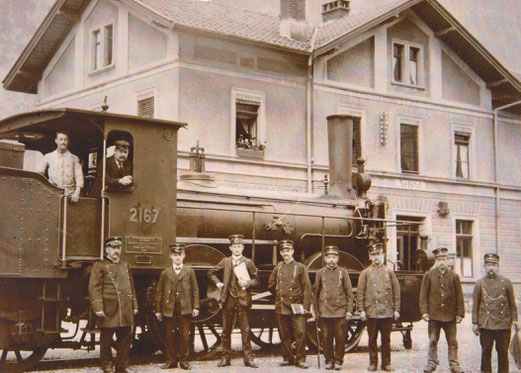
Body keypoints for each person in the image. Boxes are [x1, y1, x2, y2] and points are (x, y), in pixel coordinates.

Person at [207, 234, 259, 368]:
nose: (237, 249)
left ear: (243, 247)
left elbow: (257, 280)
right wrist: (218, 283)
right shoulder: (225, 261)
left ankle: (248, 359)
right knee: (226, 331)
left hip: (242, 300)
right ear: (230, 248)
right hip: (228, 299)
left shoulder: (248, 262)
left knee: (245, 330)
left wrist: (247, 283)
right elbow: (211, 272)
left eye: (239, 246)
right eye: (234, 246)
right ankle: (225, 358)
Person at [89, 236, 138, 373]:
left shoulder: (125, 265)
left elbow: (131, 287)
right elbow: (94, 288)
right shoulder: (99, 265)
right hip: (109, 308)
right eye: (114, 248)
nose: (117, 251)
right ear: (107, 250)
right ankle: (107, 365)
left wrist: (135, 305)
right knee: (106, 339)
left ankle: (121, 366)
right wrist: (98, 307)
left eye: (119, 248)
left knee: (125, 339)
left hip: (125, 307)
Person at [268, 240, 313, 369]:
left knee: (300, 333)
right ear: (281, 253)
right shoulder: (278, 268)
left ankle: (300, 359)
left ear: (292, 251)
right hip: (282, 305)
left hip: (297, 306)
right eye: (283, 251)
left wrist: (305, 306)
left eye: (288, 250)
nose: (285, 253)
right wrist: (280, 297)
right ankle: (287, 358)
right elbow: (271, 286)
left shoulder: (300, 267)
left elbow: (307, 288)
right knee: (284, 334)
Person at [472, 253, 520, 373]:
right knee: (485, 352)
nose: (491, 268)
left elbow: (512, 304)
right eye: (488, 265)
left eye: (493, 264)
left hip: (503, 324)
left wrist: (515, 320)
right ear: (485, 266)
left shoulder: (506, 282)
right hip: (486, 324)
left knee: (503, 353)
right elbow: (475, 305)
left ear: (498, 266)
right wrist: (475, 323)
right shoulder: (479, 283)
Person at [155, 244, 200, 370]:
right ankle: (171, 361)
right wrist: (158, 310)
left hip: (185, 308)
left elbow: (195, 290)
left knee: (185, 336)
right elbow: (159, 292)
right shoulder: (165, 273)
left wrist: (196, 307)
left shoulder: (190, 272)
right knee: (170, 336)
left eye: (180, 255)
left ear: (184, 256)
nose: (177, 257)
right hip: (169, 309)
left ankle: (184, 361)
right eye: (175, 255)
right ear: (170, 256)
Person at [420, 247, 465, 373]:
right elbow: (423, 294)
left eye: (443, 259)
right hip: (434, 315)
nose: (441, 262)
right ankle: (431, 362)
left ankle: (454, 364)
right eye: (438, 260)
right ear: (435, 261)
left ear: (448, 260)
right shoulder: (428, 275)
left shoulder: (454, 276)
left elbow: (459, 296)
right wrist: (424, 311)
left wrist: (460, 313)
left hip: (450, 316)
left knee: (453, 341)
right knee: (433, 340)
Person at [357, 244, 400, 372]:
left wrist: (396, 309)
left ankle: (386, 363)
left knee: (386, 339)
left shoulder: (389, 272)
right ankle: (373, 363)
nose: (376, 257)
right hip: (372, 312)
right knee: (372, 339)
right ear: (370, 257)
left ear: (383, 255)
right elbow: (360, 293)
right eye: (374, 255)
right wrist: (362, 310)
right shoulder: (365, 273)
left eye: (379, 254)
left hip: (386, 311)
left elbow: (396, 291)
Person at [314, 245, 354, 370]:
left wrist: (349, 311)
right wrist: (316, 311)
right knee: (326, 338)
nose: (331, 259)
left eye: (334, 257)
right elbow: (315, 294)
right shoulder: (320, 273)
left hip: (339, 311)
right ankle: (329, 360)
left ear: (337, 259)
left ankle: (338, 360)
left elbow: (349, 294)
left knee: (340, 337)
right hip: (325, 311)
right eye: (329, 257)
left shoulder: (343, 272)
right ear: (325, 259)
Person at [38, 131, 84, 202]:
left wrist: (77, 193)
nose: (63, 142)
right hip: (52, 194)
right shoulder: (48, 156)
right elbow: (40, 174)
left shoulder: (74, 158)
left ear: (68, 141)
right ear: (56, 141)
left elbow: (79, 177)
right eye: (61, 139)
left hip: (69, 196)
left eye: (65, 139)